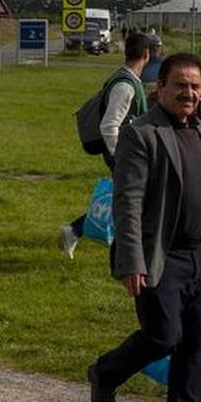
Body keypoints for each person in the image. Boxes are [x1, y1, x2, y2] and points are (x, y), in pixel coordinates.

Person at [85, 53, 201, 402]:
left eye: (195, 86)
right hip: (161, 254)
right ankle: (105, 373)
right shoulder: (142, 134)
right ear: (160, 89)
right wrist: (131, 260)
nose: (188, 93)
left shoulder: (199, 129)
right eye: (180, 85)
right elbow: (129, 201)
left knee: (197, 341)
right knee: (163, 336)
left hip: (200, 254)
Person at [60, 29, 153, 258]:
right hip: (122, 152)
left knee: (126, 199)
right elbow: (109, 125)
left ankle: (75, 230)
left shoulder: (126, 78)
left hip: (126, 151)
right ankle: (80, 232)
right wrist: (120, 155)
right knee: (130, 201)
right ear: (147, 54)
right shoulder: (126, 85)